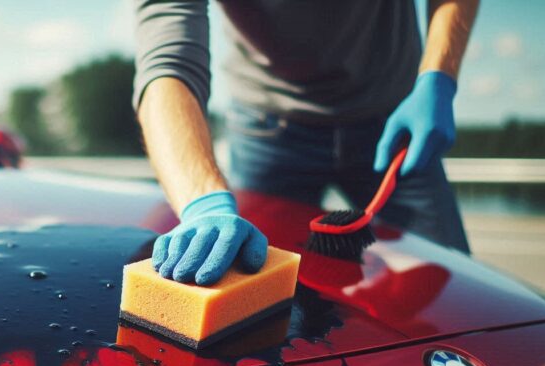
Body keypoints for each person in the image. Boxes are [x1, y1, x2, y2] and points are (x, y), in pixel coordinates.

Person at [133, 0, 479, 285]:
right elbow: (167, 65)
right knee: (248, 282)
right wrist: (203, 205)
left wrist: (440, 77)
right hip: (265, 129)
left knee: (456, 284)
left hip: (394, 124)